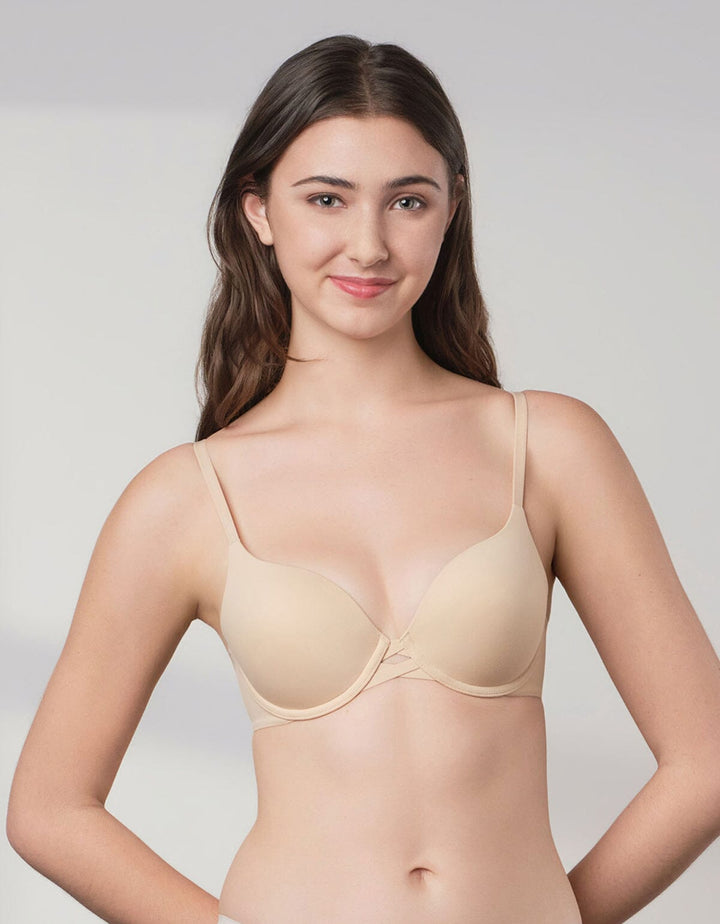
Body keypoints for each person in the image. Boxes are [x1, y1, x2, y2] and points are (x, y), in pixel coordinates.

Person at [6, 33, 720, 924]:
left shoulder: (548, 448)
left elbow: (707, 761)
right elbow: (49, 810)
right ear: (259, 211)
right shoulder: (186, 499)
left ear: (452, 207)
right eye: (327, 199)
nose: (369, 244)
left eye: (407, 201)